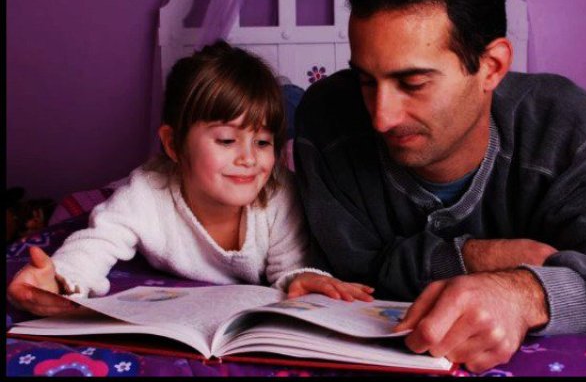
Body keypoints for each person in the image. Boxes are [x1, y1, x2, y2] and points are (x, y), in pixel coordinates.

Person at [293, 0, 586, 373]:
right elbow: (354, 276)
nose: (381, 117)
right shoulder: (326, 120)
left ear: (491, 67)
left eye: (413, 83)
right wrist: (476, 257)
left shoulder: (569, 128)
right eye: (366, 80)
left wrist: (523, 293)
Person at [8, 40, 374, 317]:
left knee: (296, 110)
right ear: (173, 144)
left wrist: (304, 278)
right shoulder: (147, 193)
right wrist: (59, 279)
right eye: (227, 140)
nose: (249, 159)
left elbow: (291, 265)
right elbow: (97, 242)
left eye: (263, 142)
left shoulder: (278, 192)